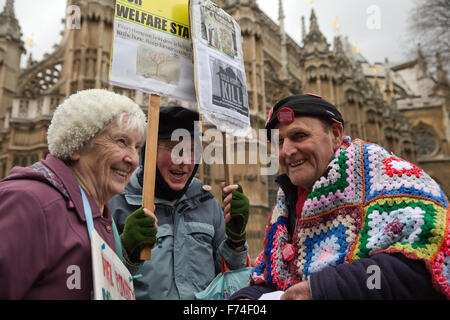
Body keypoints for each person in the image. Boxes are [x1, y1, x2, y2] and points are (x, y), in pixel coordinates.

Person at [230, 94, 449, 300]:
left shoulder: (386, 174)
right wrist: (247, 297)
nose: (286, 151)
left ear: (335, 134)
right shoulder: (284, 205)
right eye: (279, 142)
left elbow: (426, 266)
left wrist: (324, 289)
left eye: (300, 136)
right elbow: (275, 278)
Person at [0, 89, 155, 299]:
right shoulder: (29, 202)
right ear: (77, 145)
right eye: (121, 142)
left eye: (137, 147)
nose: (134, 160)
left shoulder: (99, 212)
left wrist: (126, 254)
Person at [109, 106, 250, 300]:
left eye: (192, 151)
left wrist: (236, 240)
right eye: (175, 149)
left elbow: (232, 276)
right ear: (149, 152)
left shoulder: (207, 203)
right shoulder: (117, 203)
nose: (184, 160)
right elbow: (101, 284)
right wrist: (127, 254)